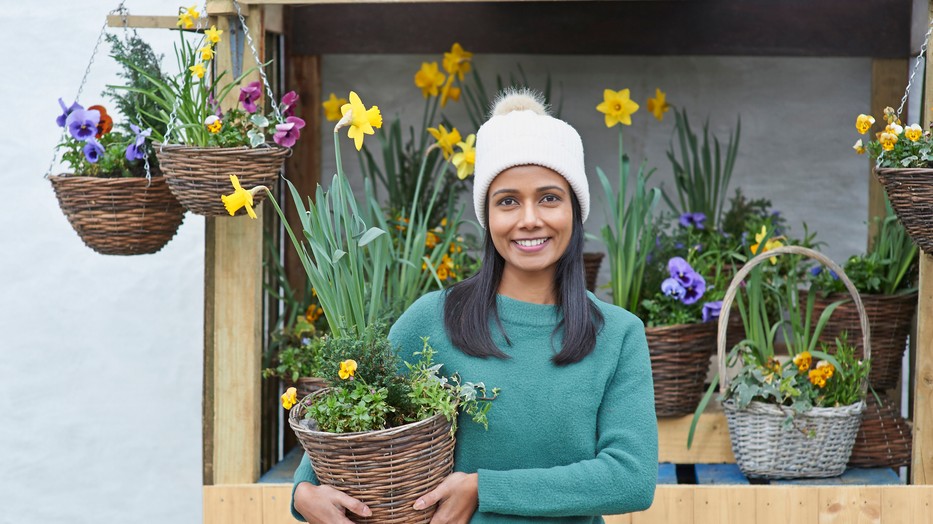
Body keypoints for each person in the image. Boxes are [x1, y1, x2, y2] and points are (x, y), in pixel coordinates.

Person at [291, 89, 658, 523]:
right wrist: (302, 494)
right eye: (507, 201)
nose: (529, 219)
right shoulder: (430, 321)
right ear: (487, 216)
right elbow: (340, 440)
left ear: (575, 210)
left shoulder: (617, 334)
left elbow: (630, 478)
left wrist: (486, 488)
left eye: (549, 198)